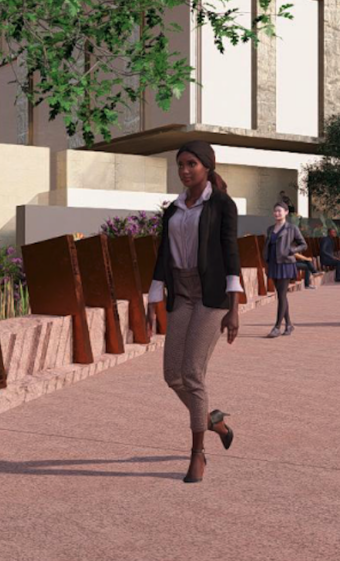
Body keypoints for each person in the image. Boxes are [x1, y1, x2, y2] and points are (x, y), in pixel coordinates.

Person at [146, 140, 239, 484]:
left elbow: (231, 254)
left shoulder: (222, 205)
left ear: (207, 166)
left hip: (211, 296)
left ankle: (198, 453)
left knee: (192, 373)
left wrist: (234, 308)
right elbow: (162, 255)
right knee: (172, 375)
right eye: (180, 165)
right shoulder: (173, 210)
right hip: (181, 294)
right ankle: (213, 420)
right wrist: (154, 298)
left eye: (191, 164)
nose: (184, 171)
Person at [264, 202, 307, 338]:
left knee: (281, 295)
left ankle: (277, 327)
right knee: (281, 295)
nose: (277, 213)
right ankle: (288, 324)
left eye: (279, 211)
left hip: (286, 264)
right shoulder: (270, 229)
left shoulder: (292, 228)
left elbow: (303, 244)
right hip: (273, 264)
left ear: (286, 212)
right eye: (275, 211)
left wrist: (292, 250)